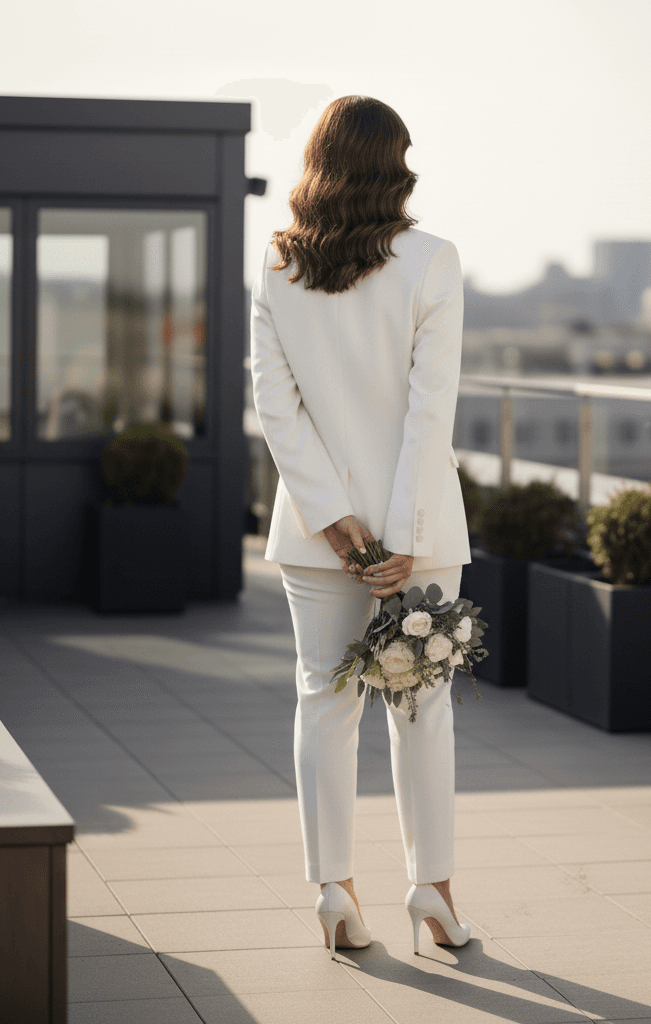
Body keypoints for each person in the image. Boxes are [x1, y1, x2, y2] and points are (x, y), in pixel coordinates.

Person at [249, 95, 472, 958]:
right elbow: (429, 415)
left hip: (314, 537)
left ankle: (334, 892)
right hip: (418, 537)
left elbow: (276, 408)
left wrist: (339, 524)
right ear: (395, 164)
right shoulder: (433, 261)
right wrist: (399, 531)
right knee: (420, 709)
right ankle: (434, 892)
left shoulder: (276, 263)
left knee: (322, 703)